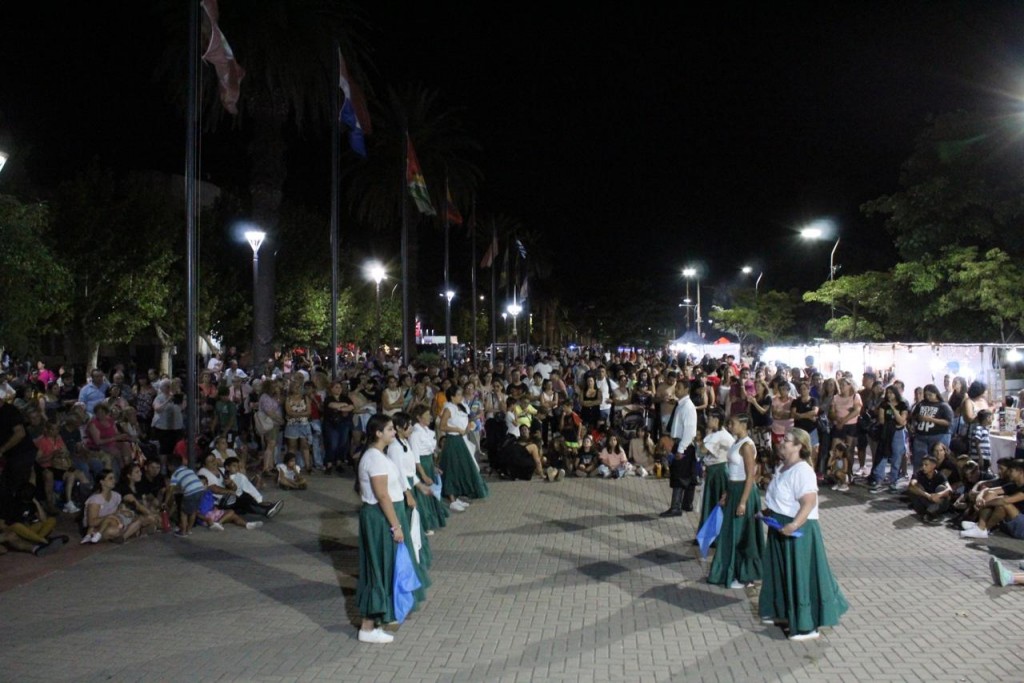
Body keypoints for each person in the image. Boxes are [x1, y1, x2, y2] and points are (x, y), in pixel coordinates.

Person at [759, 427, 848, 641]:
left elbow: (808, 502)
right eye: (783, 439)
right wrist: (767, 512)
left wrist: (794, 524)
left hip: (798, 529)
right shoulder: (782, 466)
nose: (782, 443)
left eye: (787, 440)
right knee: (780, 571)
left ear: (799, 446)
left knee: (800, 574)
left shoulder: (803, 471)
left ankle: (808, 625)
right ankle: (782, 612)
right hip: (779, 526)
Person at [356, 414, 429, 644]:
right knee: (380, 568)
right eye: (389, 429)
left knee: (389, 566)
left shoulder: (379, 455)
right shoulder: (374, 458)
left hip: (386, 514)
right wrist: (395, 525)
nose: (393, 432)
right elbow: (382, 495)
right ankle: (368, 626)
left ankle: (381, 618)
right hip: (381, 517)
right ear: (378, 433)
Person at [707, 414, 763, 589]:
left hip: (743, 491)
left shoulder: (747, 446)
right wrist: (727, 492)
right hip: (734, 490)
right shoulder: (737, 442)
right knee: (730, 533)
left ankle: (745, 576)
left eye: (733, 423)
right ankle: (732, 572)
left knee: (741, 535)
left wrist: (743, 502)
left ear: (744, 425)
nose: (730, 426)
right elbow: (733, 470)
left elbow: (750, 476)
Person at [437, 386, 489, 511]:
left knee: (462, 467)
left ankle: (457, 495)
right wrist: (457, 429)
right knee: (451, 468)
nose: (461, 397)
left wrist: (469, 426)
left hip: (461, 439)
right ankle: (451, 498)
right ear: (452, 397)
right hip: (452, 440)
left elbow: (467, 420)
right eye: (459, 395)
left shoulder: (462, 406)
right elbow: (442, 426)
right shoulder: (448, 408)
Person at [960, 458, 1024, 540]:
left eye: (1011, 471)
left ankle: (983, 529)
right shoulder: (1014, 485)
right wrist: (979, 497)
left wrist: (983, 504)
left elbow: (1005, 500)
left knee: (1004, 503)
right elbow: (988, 490)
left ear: (1021, 472)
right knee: (991, 494)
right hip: (1013, 521)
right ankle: (980, 526)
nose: (1009, 473)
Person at [698, 409, 735, 534]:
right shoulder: (716, 434)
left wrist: (706, 435)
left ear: (716, 420)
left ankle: (715, 534)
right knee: (708, 502)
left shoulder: (722, 436)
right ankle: (707, 532)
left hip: (718, 472)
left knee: (714, 503)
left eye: (709, 418)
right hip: (712, 471)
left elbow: (702, 450)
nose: (707, 420)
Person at [869, 385, 910, 493]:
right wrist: (892, 422)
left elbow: (902, 421)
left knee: (896, 457)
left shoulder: (902, 405)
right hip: (886, 432)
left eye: (891, 393)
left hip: (898, 433)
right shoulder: (883, 404)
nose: (889, 395)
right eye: (887, 393)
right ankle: (878, 480)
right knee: (883, 454)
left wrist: (893, 409)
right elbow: (882, 420)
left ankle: (893, 481)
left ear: (896, 393)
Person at [907, 454, 952, 523]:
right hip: (925, 502)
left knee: (941, 488)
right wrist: (928, 496)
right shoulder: (919, 474)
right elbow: (911, 486)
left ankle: (931, 512)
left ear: (933, 466)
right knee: (916, 488)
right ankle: (931, 512)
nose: (923, 467)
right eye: (922, 465)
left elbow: (949, 489)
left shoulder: (940, 475)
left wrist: (938, 495)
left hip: (939, 503)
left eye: (926, 465)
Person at [168, 454, 206, 538]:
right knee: (194, 511)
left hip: (190, 492)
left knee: (183, 512)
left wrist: (165, 501)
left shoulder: (175, 474)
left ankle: (183, 532)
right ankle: (189, 530)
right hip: (200, 489)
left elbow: (171, 490)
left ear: (170, 466)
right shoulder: (189, 470)